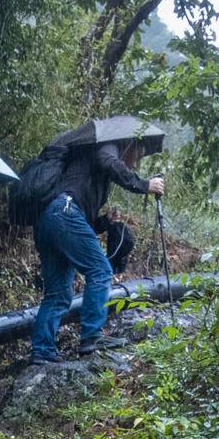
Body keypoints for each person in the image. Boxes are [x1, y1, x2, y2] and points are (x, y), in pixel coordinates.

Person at [30, 133, 163, 364]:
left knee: (58, 294)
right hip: (63, 213)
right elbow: (110, 163)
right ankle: (91, 337)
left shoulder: (86, 168)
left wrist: (104, 222)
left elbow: (79, 223)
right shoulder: (107, 144)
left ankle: (42, 352)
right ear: (129, 144)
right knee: (100, 271)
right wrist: (144, 185)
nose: (136, 161)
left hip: (50, 218)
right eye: (138, 153)